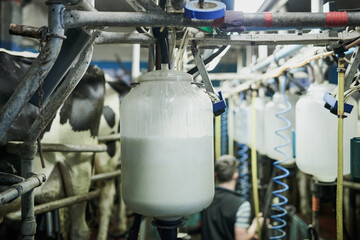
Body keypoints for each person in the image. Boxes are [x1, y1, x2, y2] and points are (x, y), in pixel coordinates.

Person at [201, 155, 264, 240]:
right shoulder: (242, 205)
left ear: (215, 174)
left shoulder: (206, 198)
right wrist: (255, 226)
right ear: (236, 175)